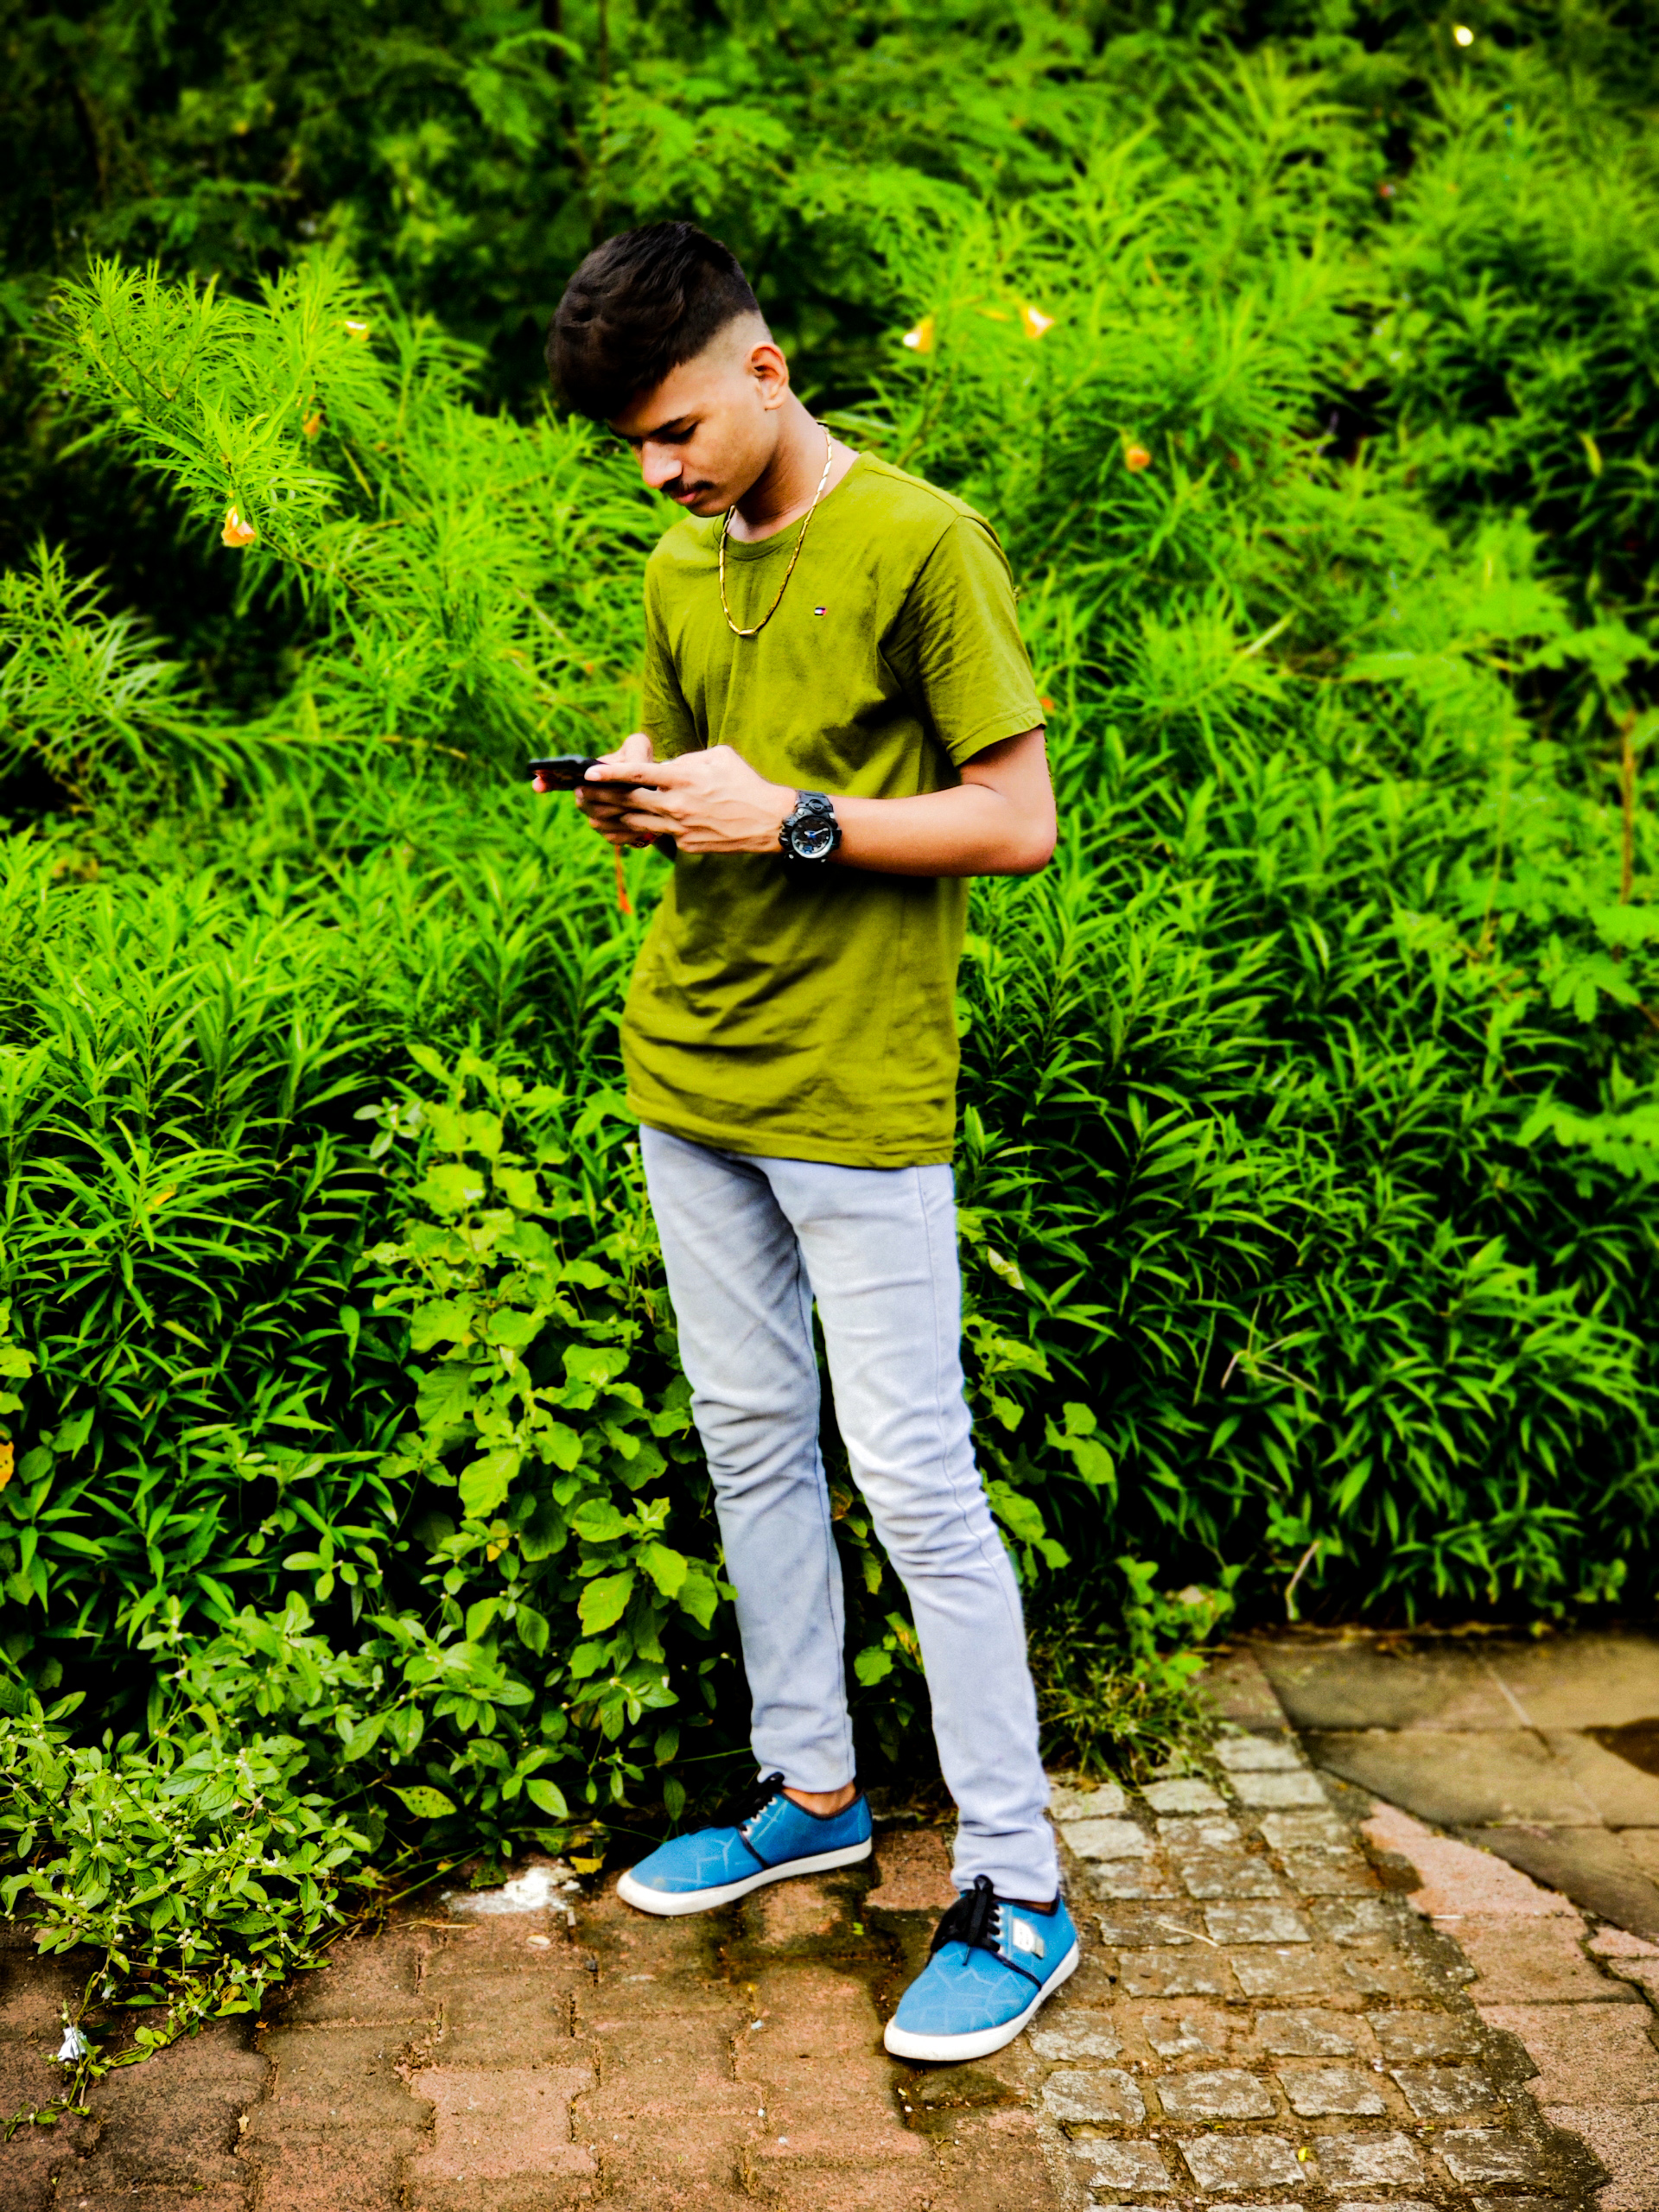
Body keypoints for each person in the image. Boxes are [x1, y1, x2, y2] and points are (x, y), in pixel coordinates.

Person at [539, 220, 1074, 2063]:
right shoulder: (679, 563)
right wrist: (647, 798)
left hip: (855, 1089)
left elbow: (1016, 822)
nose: (659, 470)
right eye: (632, 446)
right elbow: (711, 777)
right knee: (751, 1441)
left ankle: (1017, 1884)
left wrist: (796, 820)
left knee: (916, 1481)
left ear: (765, 370)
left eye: (676, 427)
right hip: (690, 1072)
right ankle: (812, 1793)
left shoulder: (925, 544)